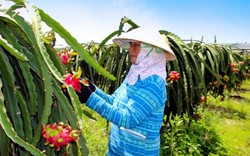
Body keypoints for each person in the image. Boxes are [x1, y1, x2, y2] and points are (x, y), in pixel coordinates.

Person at [76, 27, 176, 156]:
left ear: (151, 51)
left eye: (137, 45)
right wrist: (92, 89)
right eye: (131, 44)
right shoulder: (135, 75)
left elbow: (128, 118)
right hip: (116, 150)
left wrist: (89, 98)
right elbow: (114, 101)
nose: (131, 49)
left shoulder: (154, 83)